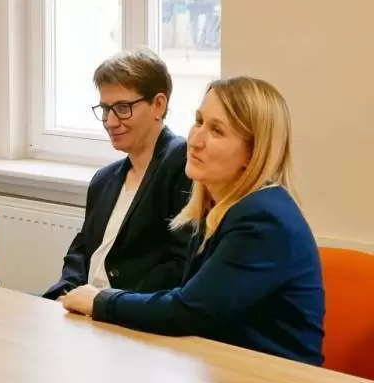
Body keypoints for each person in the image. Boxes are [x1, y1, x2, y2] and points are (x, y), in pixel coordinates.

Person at [61, 77, 325, 365]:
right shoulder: (219, 208)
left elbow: (187, 310)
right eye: (199, 122)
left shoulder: (263, 218)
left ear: (252, 153)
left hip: (275, 381)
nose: (196, 140)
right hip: (220, 367)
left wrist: (101, 300)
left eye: (217, 131)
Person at [43, 49, 191, 300]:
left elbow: (180, 265)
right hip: (81, 307)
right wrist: (64, 292)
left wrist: (106, 303)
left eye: (123, 108)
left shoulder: (183, 164)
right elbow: (81, 251)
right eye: (105, 109)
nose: (110, 121)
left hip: (127, 311)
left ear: (159, 104)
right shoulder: (104, 179)